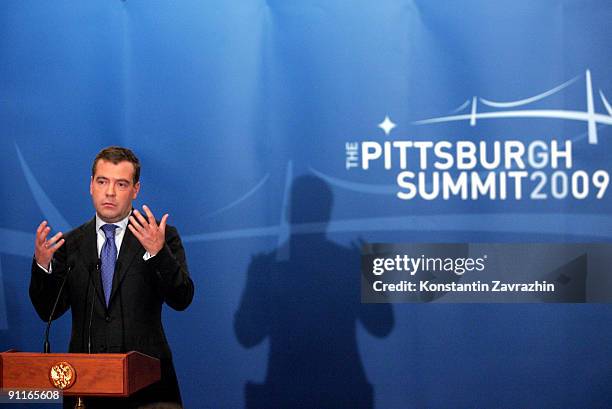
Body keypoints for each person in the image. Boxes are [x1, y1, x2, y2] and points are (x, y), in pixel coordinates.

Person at [29, 146, 194, 409]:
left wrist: (158, 253)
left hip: (148, 390)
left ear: (135, 190)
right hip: (86, 390)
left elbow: (182, 298)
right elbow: (48, 310)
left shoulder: (160, 236)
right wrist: (42, 266)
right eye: (102, 181)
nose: (110, 192)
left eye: (121, 184)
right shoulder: (70, 244)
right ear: (91, 185)